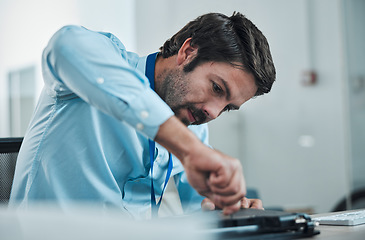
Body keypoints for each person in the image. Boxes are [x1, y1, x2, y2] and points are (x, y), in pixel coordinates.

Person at [9, 12, 275, 219]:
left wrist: (228, 210)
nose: (213, 112)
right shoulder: (107, 63)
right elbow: (64, 45)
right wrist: (189, 148)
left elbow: (201, 207)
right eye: (216, 88)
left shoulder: (191, 123)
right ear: (188, 52)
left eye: (227, 107)